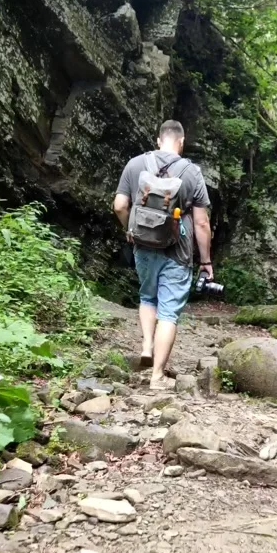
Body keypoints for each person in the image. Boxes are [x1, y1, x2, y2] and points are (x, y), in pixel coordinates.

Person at [113, 120, 212, 390]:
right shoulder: (191, 172)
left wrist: (129, 230)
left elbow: (120, 205)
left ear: (159, 140)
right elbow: (202, 223)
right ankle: (157, 377)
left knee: (147, 296)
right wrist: (205, 261)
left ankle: (147, 345)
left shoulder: (135, 164)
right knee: (168, 313)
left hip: (143, 245)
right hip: (177, 251)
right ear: (181, 142)